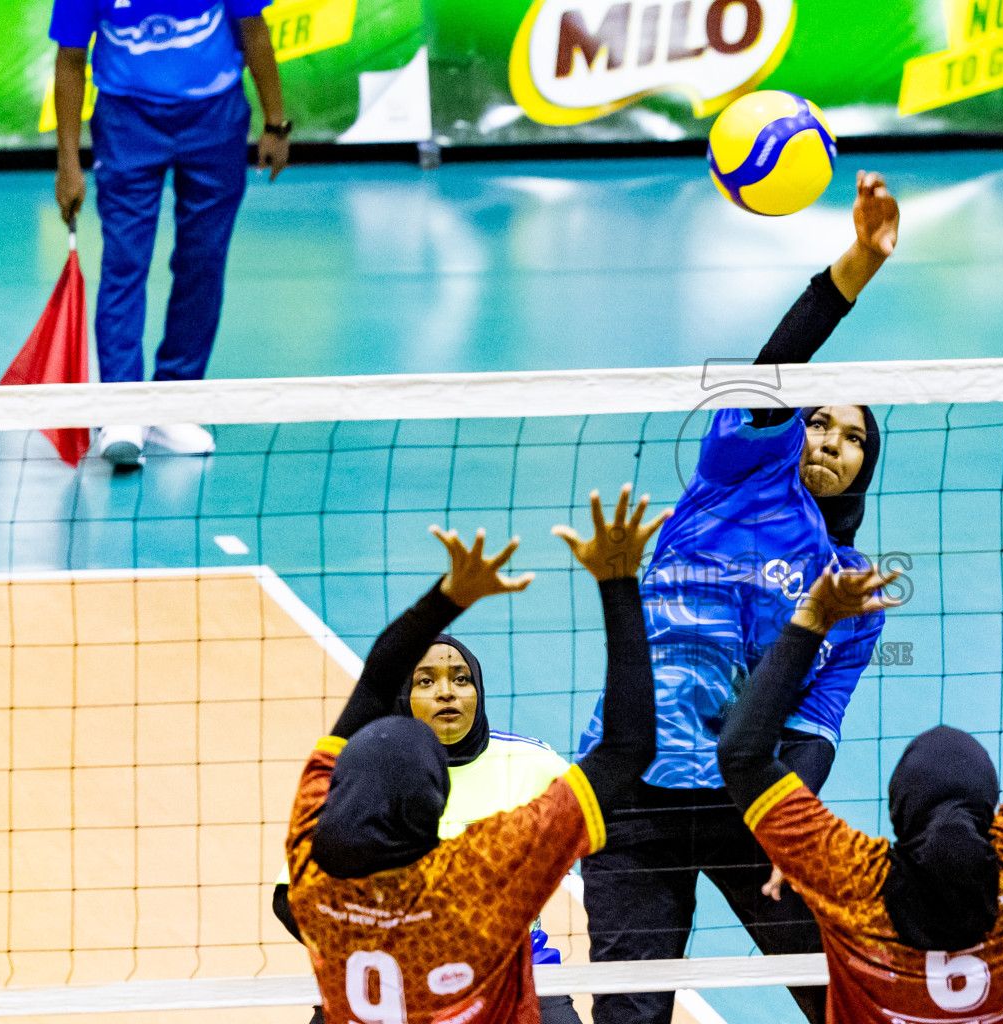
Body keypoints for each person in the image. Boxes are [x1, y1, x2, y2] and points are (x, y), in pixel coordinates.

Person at [574, 172, 900, 1024]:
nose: (832, 439)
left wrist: (793, 826)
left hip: (746, 798)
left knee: (843, 989)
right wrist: (856, 266)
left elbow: (816, 724)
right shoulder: (738, 466)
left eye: (854, 437)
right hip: (635, 785)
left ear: (868, 464)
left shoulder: (852, 584)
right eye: (820, 421)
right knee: (630, 1011)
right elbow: (778, 363)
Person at [716, 500, 1003, 1024]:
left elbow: (740, 753)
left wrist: (811, 621)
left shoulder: (854, 882)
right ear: (993, 811)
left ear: (898, 811)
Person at [285, 486, 669, 1024]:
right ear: (435, 801)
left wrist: (446, 599)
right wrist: (618, 583)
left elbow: (373, 687)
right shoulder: (480, 874)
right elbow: (629, 748)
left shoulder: (311, 860)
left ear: (340, 784)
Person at [272, 624, 584, 1024]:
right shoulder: (369, 770)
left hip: (518, 969)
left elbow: (604, 836)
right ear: (405, 695)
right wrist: (375, 945)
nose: (446, 691)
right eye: (426, 681)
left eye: (461, 679)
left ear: (479, 691)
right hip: (384, 983)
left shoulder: (533, 764)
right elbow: (289, 897)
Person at [49, 0, 291, 468]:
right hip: (126, 121)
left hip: (215, 119)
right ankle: (122, 409)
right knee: (123, 261)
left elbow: (254, 33)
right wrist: (67, 162)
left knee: (203, 261)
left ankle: (174, 403)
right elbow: (70, 60)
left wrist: (276, 124)